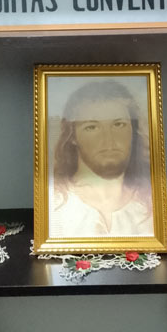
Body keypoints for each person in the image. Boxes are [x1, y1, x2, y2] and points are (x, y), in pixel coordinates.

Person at [50, 79, 153, 237]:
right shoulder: (54, 207)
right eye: (92, 127)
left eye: (119, 124)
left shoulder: (151, 204)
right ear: (72, 136)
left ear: (133, 130)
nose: (109, 140)